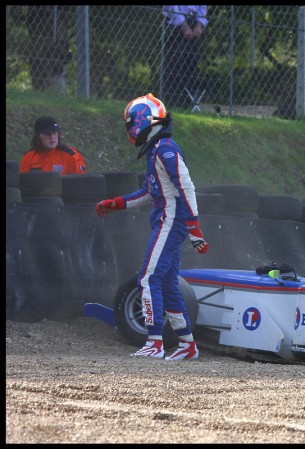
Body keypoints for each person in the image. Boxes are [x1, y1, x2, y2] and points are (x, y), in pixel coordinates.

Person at [95, 93, 209, 361]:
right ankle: (187, 344)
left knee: (148, 277)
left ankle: (154, 342)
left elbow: (186, 187)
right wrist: (118, 203)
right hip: (169, 220)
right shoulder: (158, 149)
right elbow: (150, 191)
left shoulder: (165, 150)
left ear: (141, 120)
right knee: (168, 281)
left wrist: (194, 228)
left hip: (170, 221)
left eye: (130, 122)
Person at [162, 6, 208, 110]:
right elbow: (171, 8)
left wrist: (199, 25)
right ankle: (173, 104)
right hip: (175, 24)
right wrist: (184, 26)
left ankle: (188, 104)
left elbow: (202, 8)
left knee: (192, 64)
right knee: (175, 64)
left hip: (194, 24)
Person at [20, 115, 87, 175]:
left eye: (54, 132)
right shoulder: (29, 157)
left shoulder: (70, 155)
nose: (52, 137)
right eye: (47, 133)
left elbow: (81, 183)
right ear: (38, 136)